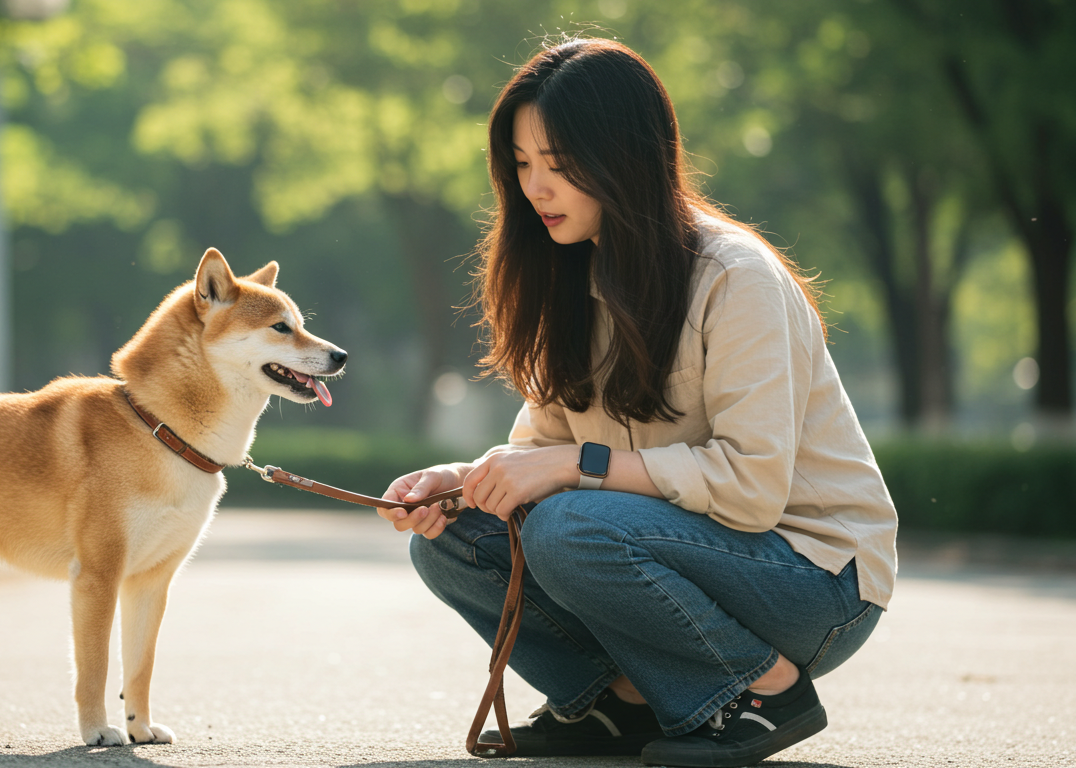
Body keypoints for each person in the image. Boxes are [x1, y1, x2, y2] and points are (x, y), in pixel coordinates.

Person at [377, 38, 897, 768]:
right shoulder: (565, 281)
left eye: (559, 164)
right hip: (670, 551)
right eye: (522, 165)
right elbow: (540, 457)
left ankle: (760, 692)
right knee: (454, 541)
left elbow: (750, 490)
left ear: (628, 157)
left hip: (813, 585)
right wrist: (461, 482)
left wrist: (575, 467)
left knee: (566, 524)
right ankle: (616, 705)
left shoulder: (734, 278)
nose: (537, 188)